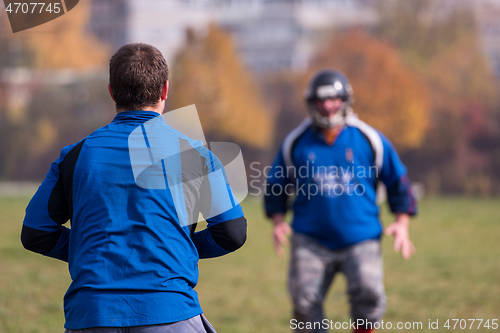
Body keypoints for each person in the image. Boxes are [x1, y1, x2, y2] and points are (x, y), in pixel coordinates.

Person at [21, 43, 247, 333]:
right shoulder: (195, 154)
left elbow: (36, 232)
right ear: (165, 90)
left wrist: (90, 249)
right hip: (170, 311)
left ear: (112, 91)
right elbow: (232, 233)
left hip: (91, 316)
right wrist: (178, 248)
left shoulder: (75, 155)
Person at [264, 70, 417, 333]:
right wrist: (278, 221)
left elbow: (398, 181)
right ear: (311, 103)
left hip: (361, 238)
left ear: (345, 100)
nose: (326, 106)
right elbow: (276, 185)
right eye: (320, 100)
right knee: (304, 305)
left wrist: (402, 222)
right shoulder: (296, 142)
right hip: (310, 240)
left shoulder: (369, 139)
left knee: (369, 296)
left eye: (333, 99)